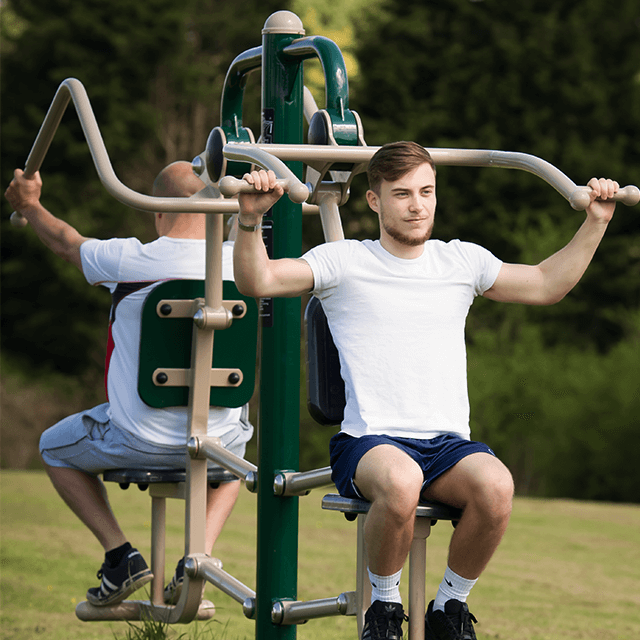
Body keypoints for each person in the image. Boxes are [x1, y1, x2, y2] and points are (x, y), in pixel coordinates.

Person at [231, 141, 619, 640]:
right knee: (401, 480)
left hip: (447, 445)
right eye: (402, 194)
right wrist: (248, 222)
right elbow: (257, 279)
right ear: (375, 202)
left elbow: (546, 284)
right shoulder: (343, 261)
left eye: (427, 191)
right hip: (371, 443)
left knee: (498, 486)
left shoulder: (460, 261)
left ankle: (449, 608)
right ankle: (384, 610)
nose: (417, 205)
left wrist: (596, 222)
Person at [4, 162, 253, 607]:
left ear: (157, 212)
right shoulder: (244, 265)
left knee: (52, 447)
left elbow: (66, 241)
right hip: (215, 445)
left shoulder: (129, 259)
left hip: (137, 439)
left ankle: (120, 555)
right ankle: (199, 555)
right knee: (238, 453)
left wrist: (31, 205)